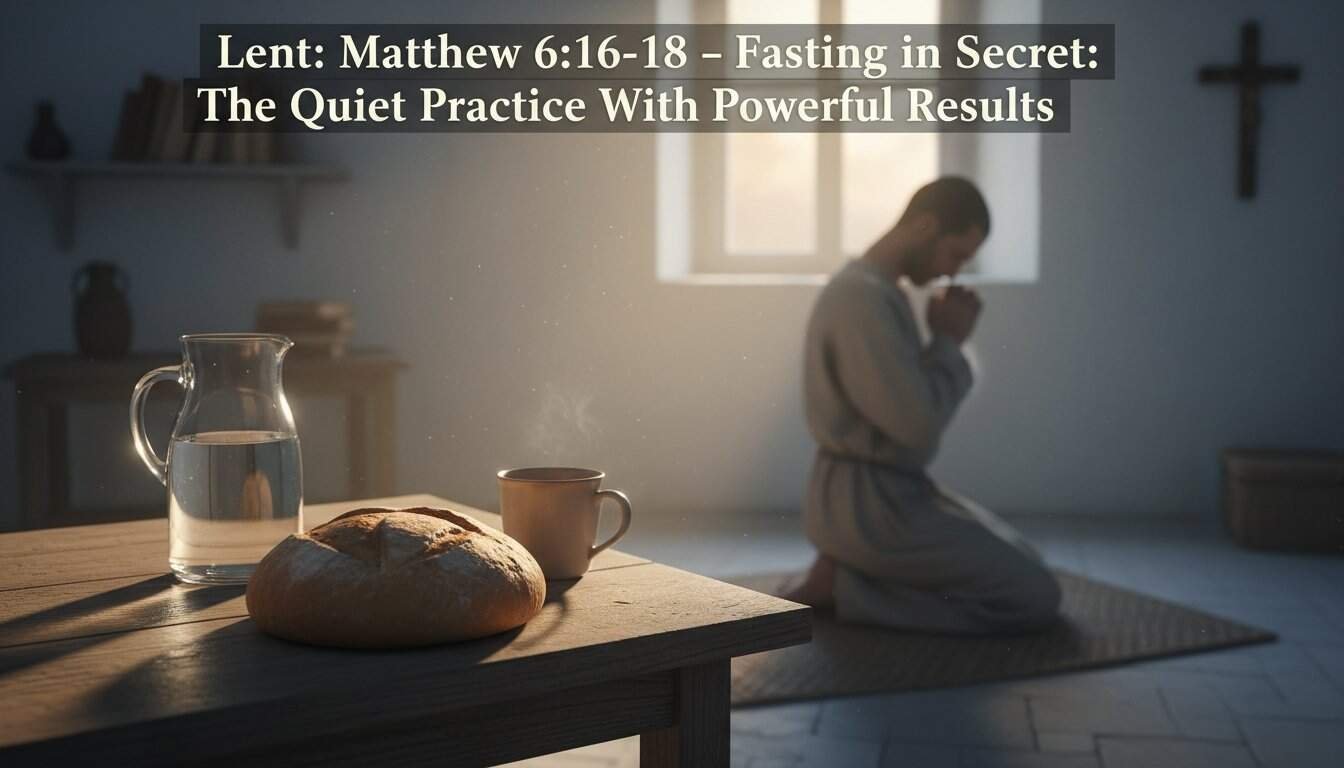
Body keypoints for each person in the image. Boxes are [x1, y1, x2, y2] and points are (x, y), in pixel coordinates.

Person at [786, 177, 1061, 634]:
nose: (951, 273)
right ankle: (848, 590)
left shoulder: (878, 290)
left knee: (1025, 560)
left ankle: (850, 576)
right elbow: (916, 427)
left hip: (886, 496)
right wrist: (949, 341)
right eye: (954, 254)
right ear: (925, 225)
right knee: (1034, 595)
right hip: (868, 510)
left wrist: (946, 344)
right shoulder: (861, 298)